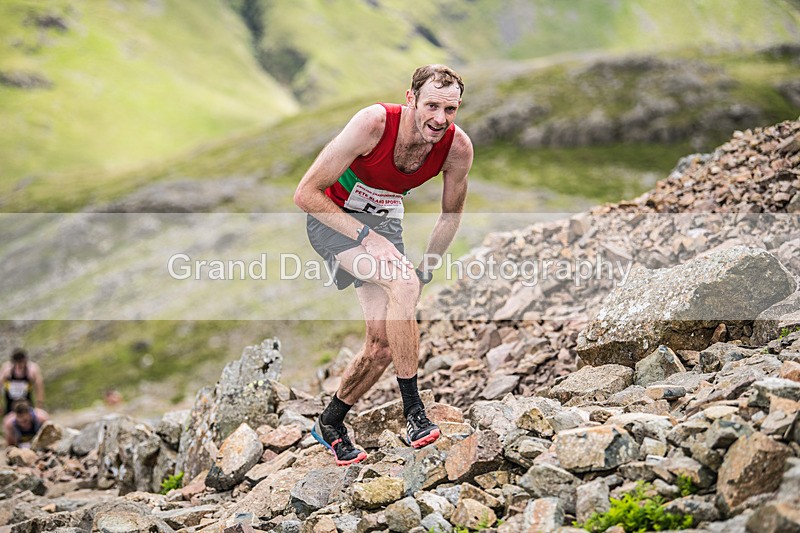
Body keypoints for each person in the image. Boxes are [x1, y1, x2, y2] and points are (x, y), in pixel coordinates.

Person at [294, 64, 473, 465]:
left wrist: (426, 268)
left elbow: (450, 214)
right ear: (410, 99)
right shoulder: (373, 123)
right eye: (431, 106)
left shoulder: (457, 149)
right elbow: (306, 193)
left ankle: (331, 423)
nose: (439, 119)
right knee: (403, 286)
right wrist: (365, 237)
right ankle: (415, 413)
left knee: (382, 344)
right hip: (334, 218)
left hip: (384, 223)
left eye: (450, 109)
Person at [1, 348, 45, 415]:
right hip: (10, 400)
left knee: (29, 417)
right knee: (10, 420)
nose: (19, 366)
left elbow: (39, 385)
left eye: (21, 363)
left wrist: (39, 403)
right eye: (17, 363)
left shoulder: (32, 369)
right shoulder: (7, 369)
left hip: (26, 399)